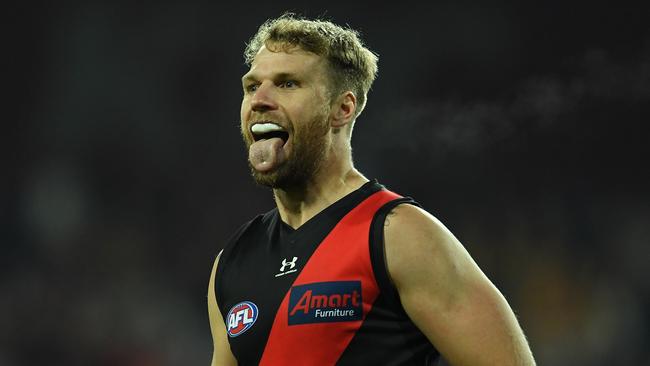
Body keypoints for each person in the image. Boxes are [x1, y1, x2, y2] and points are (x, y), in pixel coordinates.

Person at [207, 13, 536, 366]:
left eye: (288, 84)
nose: (260, 99)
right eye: (252, 86)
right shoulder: (231, 262)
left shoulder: (400, 235)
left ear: (342, 109)